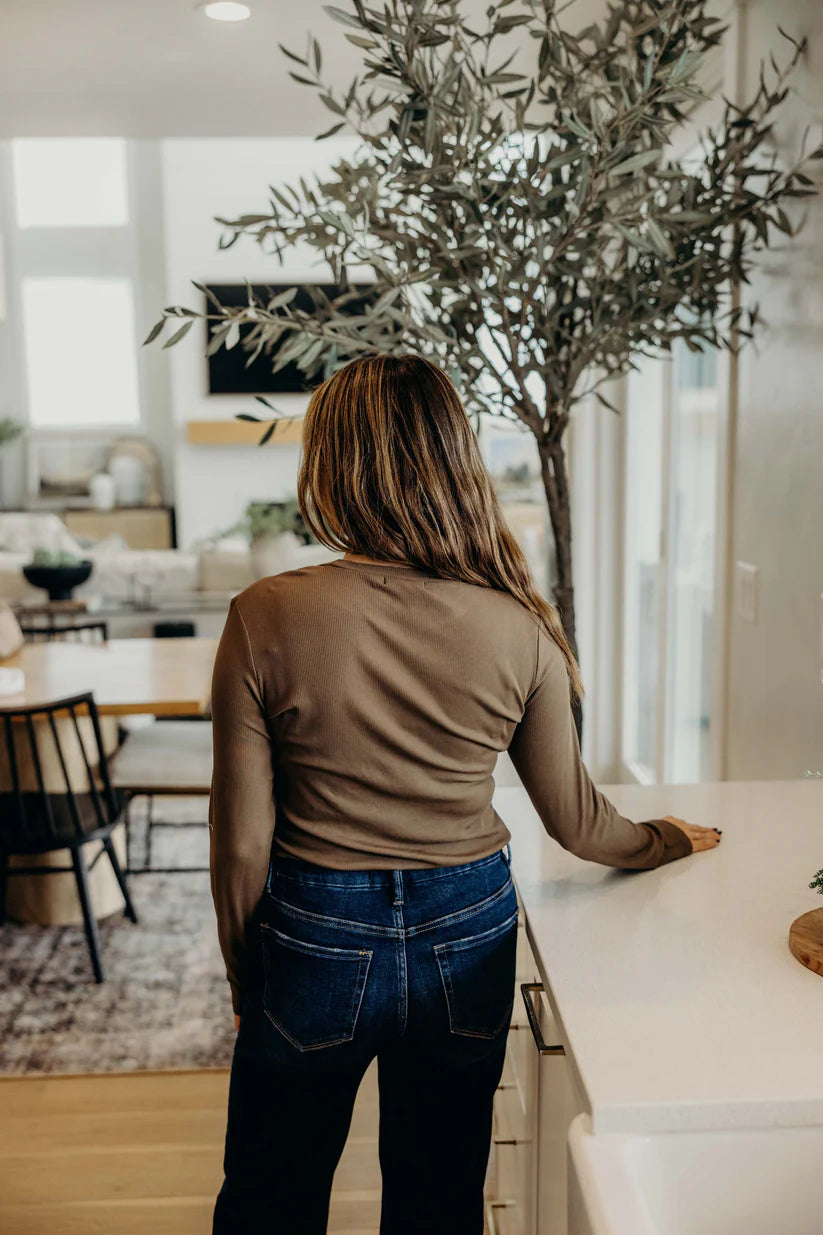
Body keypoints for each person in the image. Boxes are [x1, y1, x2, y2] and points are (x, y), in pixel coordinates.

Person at [208, 353, 721, 1235]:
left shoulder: (265, 614)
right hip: (468, 932)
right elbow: (580, 824)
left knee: (270, 1198)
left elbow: (242, 842)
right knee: (440, 1199)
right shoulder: (519, 624)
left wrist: (249, 970)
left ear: (331, 464)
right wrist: (666, 836)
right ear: (453, 460)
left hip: (316, 934)